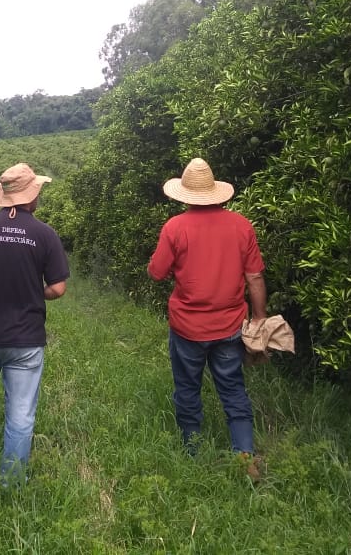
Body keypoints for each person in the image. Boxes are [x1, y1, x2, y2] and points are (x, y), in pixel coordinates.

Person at [0, 162, 69, 487]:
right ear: (31, 196)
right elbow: (58, 288)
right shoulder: (45, 234)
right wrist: (33, 290)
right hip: (26, 338)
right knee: (20, 411)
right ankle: (12, 480)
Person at [147, 157, 267, 468]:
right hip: (230, 327)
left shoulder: (175, 228)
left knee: (188, 388)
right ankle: (244, 456)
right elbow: (254, 277)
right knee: (232, 388)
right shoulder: (241, 226)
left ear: (184, 194)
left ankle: (193, 455)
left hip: (188, 328)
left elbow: (156, 273)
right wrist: (259, 318)